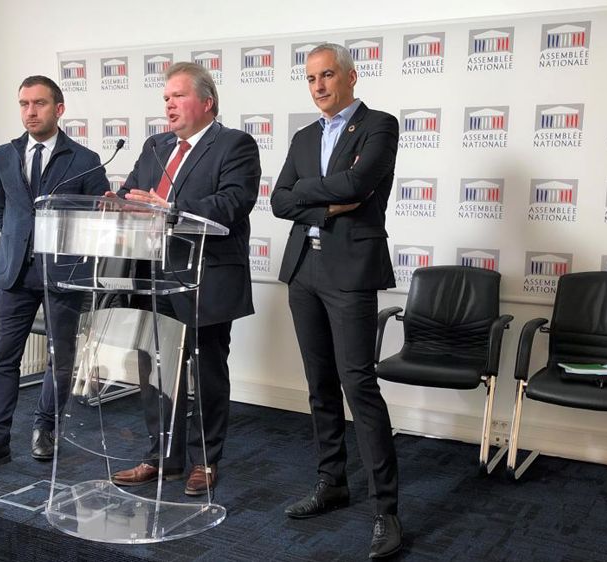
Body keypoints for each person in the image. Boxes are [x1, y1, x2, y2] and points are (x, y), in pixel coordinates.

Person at [270, 43, 402, 558]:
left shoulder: (378, 125)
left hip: (350, 272)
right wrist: (327, 205)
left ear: (350, 76)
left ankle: (386, 511)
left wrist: (310, 191)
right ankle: (333, 483)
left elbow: (360, 182)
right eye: (311, 78)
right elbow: (281, 199)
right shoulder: (305, 136)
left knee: (358, 386)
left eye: (328, 75)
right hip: (305, 270)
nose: (319, 85)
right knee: (319, 385)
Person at [108, 62, 260, 496]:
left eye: (177, 96)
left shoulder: (235, 144)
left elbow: (233, 203)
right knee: (155, 371)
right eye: (165, 98)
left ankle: (205, 460)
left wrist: (169, 208)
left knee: (206, 371)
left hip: (204, 276)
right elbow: (135, 194)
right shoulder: (156, 146)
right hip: (151, 275)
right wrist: (116, 203)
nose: (168, 105)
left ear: (206, 102)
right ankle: (162, 457)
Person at [0, 76, 109, 477]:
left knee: (61, 360)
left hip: (63, 272)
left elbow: (95, 220)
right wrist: (24, 240)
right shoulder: (3, 154)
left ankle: (45, 428)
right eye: (23, 104)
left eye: (38, 103)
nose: (30, 111)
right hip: (13, 271)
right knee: (3, 359)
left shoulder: (86, 160)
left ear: (59, 108)